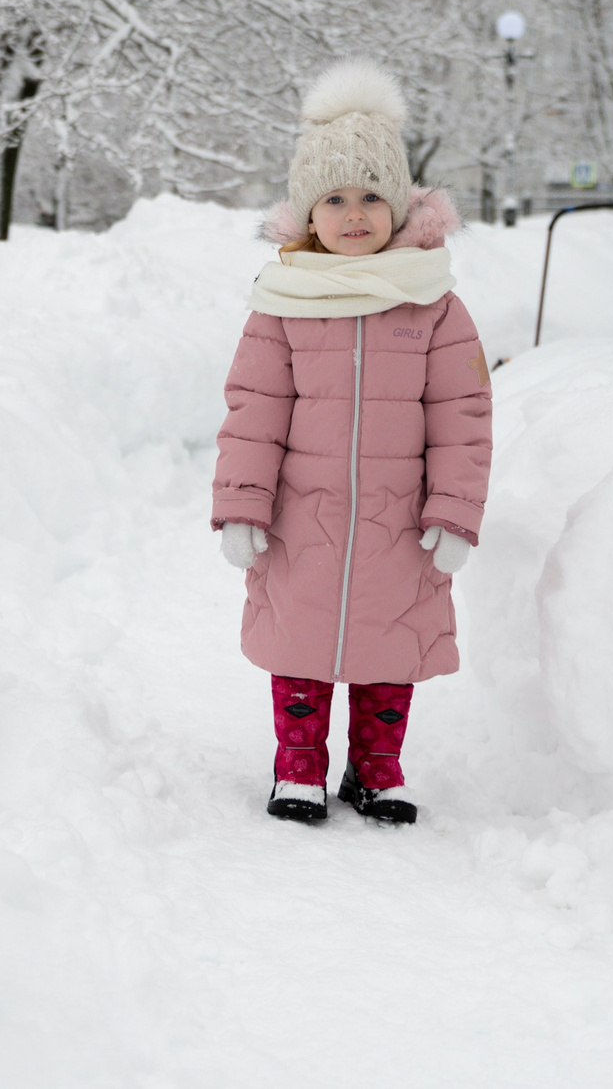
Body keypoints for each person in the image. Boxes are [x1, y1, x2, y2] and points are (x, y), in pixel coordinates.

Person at [211, 62, 493, 825]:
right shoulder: (282, 303)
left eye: (372, 195)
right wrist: (243, 505)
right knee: (301, 639)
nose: (356, 213)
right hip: (304, 515)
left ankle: (377, 766)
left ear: (399, 204)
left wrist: (456, 509)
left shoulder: (433, 302)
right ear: (309, 213)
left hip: (400, 519)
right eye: (335, 198)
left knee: (389, 641)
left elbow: (463, 411)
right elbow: (254, 410)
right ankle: (298, 762)